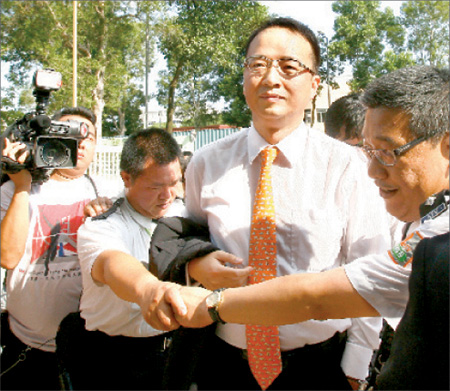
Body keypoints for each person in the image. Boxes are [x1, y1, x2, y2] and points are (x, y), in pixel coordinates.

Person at [166, 65, 449, 390]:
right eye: (369, 151)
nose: (372, 170)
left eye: (386, 153)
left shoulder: (437, 240)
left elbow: (317, 296)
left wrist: (213, 305)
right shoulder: (208, 161)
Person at [177, 17, 397, 391]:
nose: (271, 78)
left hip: (319, 366)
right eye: (257, 64)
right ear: (244, 77)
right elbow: (190, 241)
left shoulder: (347, 166)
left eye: (289, 66)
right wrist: (196, 263)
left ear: (314, 85)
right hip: (223, 364)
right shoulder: (205, 163)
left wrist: (355, 366)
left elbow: (369, 271)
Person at [72, 128, 241, 390]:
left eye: (174, 183)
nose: (167, 195)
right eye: (155, 186)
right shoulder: (102, 225)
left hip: (176, 352)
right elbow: (111, 263)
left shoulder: (184, 215)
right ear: (126, 178)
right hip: (115, 358)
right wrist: (150, 289)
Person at [0, 106, 109, 390]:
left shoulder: (105, 194)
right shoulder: (14, 188)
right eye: (71, 132)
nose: (81, 142)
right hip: (24, 347)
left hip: (85, 343)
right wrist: (22, 187)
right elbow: (8, 257)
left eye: (90, 136)